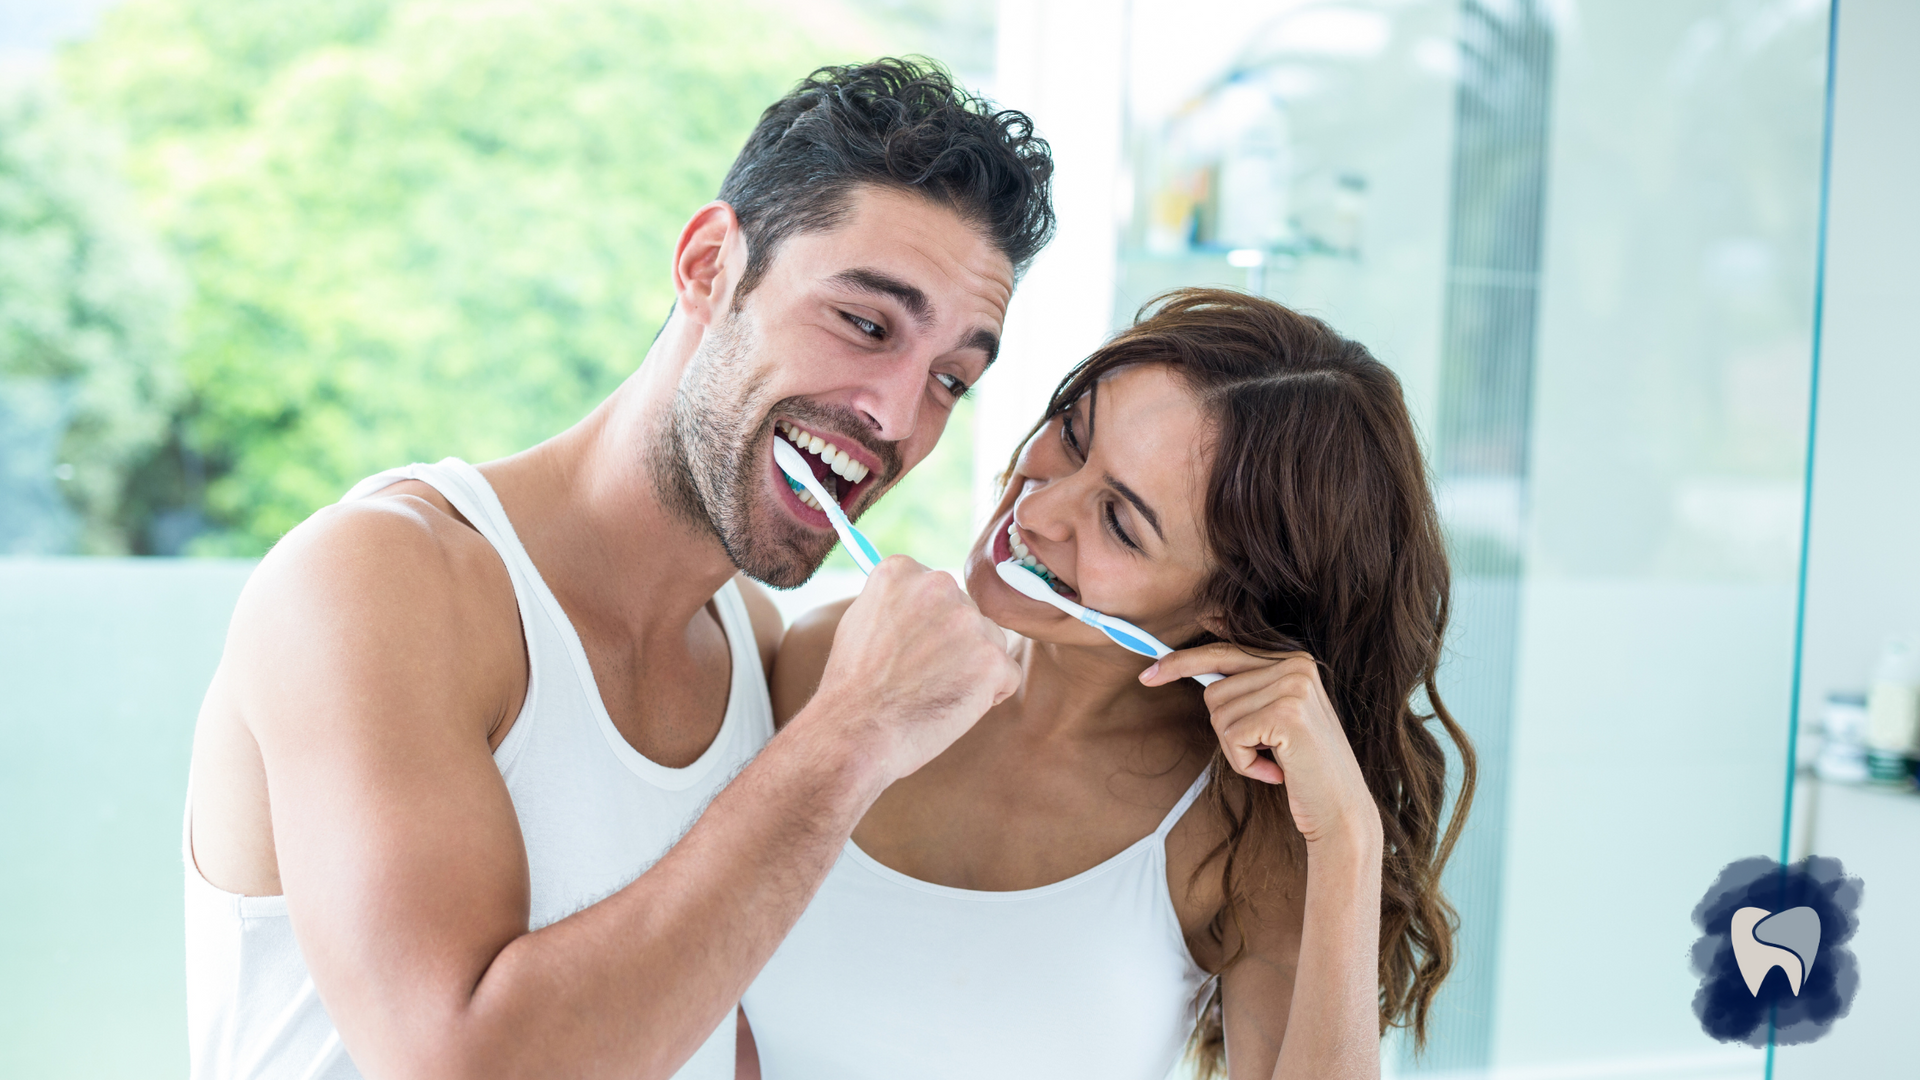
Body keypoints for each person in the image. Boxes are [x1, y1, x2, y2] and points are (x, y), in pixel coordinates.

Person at [182, 59, 1053, 1080]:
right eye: (865, 324)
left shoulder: (748, 647)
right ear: (707, 266)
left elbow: (695, 1033)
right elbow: (458, 1065)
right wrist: (858, 729)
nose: (897, 417)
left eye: (952, 377)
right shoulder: (381, 580)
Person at [741, 288, 1478, 1080]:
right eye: (1073, 434)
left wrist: (1349, 842)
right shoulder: (826, 663)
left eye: (1121, 523)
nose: (1040, 509)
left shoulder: (1238, 833)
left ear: (1232, 605)